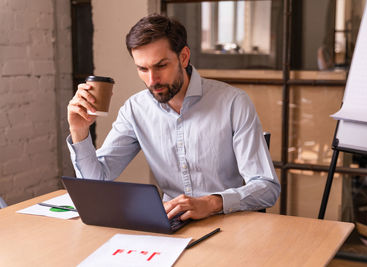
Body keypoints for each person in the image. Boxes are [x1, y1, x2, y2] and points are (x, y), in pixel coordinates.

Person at [67, 14, 280, 221]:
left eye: (161, 65)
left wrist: (211, 203)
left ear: (184, 57)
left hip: (227, 221)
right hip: (171, 223)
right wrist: (79, 131)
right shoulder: (135, 109)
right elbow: (97, 182)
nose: (152, 80)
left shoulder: (233, 102)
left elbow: (267, 187)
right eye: (142, 68)